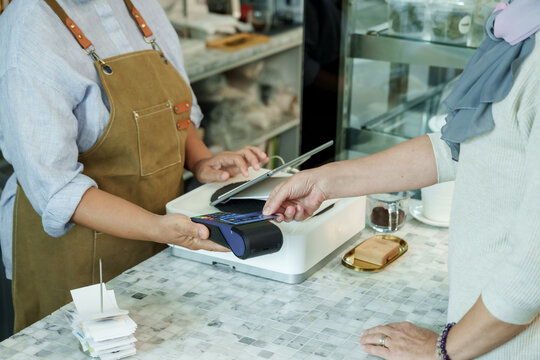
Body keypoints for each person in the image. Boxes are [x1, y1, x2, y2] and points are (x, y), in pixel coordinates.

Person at [263, 1, 540, 359]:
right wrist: (325, 182)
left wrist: (442, 349)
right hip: (481, 330)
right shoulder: (519, 28)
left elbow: (530, 273)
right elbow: (463, 145)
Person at [0, 0, 268, 335]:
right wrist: (157, 227)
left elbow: (176, 110)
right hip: (79, 259)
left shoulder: (139, 5)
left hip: (164, 236)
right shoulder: (29, 24)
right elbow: (55, 187)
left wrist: (200, 160)